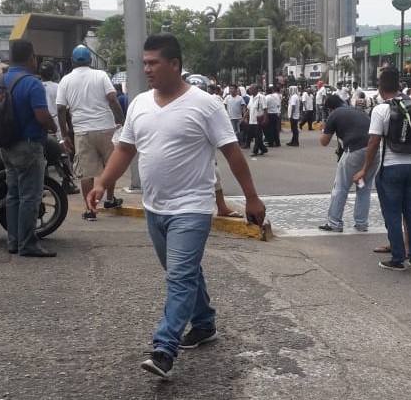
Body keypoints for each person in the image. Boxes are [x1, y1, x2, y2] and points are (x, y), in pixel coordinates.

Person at [86, 33, 266, 379]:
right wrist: (102, 183)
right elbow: (125, 150)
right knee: (184, 272)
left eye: (154, 63)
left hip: (192, 207)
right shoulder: (138, 104)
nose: (147, 69)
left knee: (180, 277)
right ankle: (204, 323)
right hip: (155, 208)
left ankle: (164, 348)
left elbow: (232, 153)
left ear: (175, 65)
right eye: (145, 62)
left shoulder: (205, 104)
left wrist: (252, 197)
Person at [354, 67, 411, 271]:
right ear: (399, 87)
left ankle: (397, 259)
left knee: (393, 215)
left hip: (391, 169)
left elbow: (373, 142)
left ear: (380, 88)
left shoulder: (380, 110)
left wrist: (364, 169)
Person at [0, 40, 58, 257]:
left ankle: (13, 242)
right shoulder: (32, 83)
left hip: (6, 146)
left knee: (13, 195)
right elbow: (41, 115)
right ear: (30, 57)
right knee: (30, 197)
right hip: (29, 145)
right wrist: (52, 126)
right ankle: (28, 244)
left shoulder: (1, 81)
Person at [56, 44, 125, 221]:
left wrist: (65, 134)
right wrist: (123, 122)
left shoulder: (65, 80)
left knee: (86, 173)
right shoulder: (101, 75)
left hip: (82, 131)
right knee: (110, 166)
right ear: (91, 60)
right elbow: (112, 100)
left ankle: (90, 209)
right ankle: (109, 200)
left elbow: (61, 109)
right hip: (105, 128)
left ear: (72, 61)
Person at [318, 94, 377, 233]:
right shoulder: (357, 110)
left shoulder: (334, 114)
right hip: (374, 152)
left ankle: (334, 222)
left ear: (329, 108)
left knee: (341, 186)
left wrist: (323, 128)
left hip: (355, 152)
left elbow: (324, 142)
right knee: (363, 187)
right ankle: (362, 223)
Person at [246, 84, 268, 156]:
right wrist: (244, 118)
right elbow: (249, 109)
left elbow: (265, 108)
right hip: (251, 120)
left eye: (251, 89)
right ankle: (263, 149)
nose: (249, 90)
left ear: (255, 89)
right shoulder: (251, 98)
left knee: (258, 136)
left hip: (258, 120)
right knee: (253, 135)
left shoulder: (261, 97)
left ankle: (255, 151)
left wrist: (265, 118)